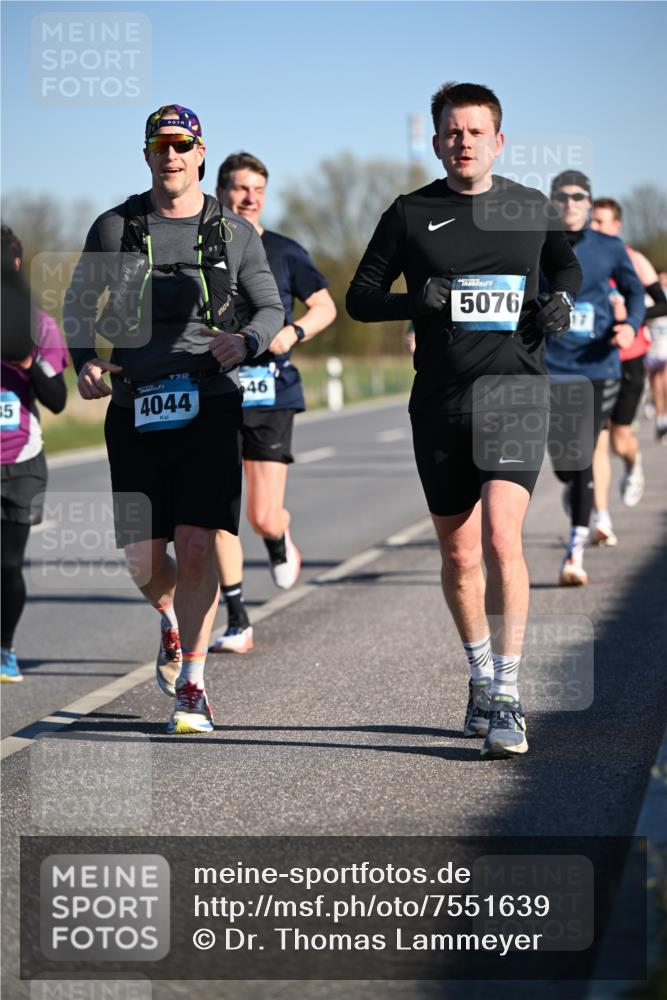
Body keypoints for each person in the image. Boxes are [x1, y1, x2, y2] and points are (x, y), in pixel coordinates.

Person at [347, 81, 581, 759]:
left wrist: (559, 302)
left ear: (497, 140)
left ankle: (508, 693)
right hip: (441, 400)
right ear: (435, 140)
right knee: (456, 550)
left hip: (515, 390)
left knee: (503, 540)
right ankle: (479, 677)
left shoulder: (527, 206)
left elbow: (563, 266)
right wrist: (421, 300)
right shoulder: (409, 213)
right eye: (452, 132)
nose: (463, 142)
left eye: (476, 131)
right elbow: (360, 299)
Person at [65, 106, 283, 733]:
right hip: (134, 403)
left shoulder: (234, 232)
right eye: (160, 145)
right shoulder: (115, 227)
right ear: (146, 154)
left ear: (200, 152)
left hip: (208, 400)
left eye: (182, 145)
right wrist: (85, 362)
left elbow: (269, 305)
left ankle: (192, 683)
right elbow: (79, 307)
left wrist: (246, 341)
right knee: (142, 558)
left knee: (194, 545)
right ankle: (169, 619)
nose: (171, 155)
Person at [209, 153, 336, 654]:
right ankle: (238, 619)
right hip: (214, 392)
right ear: (220, 192)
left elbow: (324, 304)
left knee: (262, 514)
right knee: (218, 512)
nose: (250, 197)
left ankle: (278, 538)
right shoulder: (201, 251)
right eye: (240, 188)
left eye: (258, 189)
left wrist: (294, 330)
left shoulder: (283, 251)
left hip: (270, 391)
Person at [545, 173, 645, 584]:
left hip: (598, 365)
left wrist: (631, 325)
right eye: (563, 197)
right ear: (553, 202)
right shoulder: (536, 245)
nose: (570, 203)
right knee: (564, 465)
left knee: (584, 454)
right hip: (550, 365)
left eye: (578, 197)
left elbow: (636, 293)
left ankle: (575, 552)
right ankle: (575, 488)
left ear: (588, 203)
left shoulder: (609, 248)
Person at [1, 225, 68, 682]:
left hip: (22, 461)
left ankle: (4, 648)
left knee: (7, 564)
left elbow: (58, 399)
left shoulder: (39, 325)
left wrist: (25, 359)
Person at [588, 197, 667, 544]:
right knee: (595, 441)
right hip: (590, 359)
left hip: (629, 357)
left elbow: (663, 302)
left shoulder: (633, 258)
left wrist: (632, 322)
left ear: (617, 227)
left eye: (602, 222)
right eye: (592, 221)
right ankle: (601, 520)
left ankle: (633, 465)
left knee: (621, 439)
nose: (595, 228)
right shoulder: (579, 257)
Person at [645, 270, 667, 443]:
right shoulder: (648, 298)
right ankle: (660, 421)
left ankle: (664, 418)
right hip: (652, 349)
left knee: (665, 383)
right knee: (656, 387)